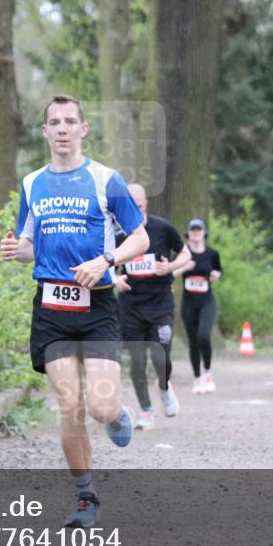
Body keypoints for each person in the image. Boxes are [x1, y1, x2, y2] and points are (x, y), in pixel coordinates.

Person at [0, 95, 149, 528]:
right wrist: (15, 250)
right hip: (51, 306)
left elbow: (139, 239)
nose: (61, 128)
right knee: (70, 404)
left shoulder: (106, 180)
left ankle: (117, 414)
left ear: (83, 129)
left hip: (98, 303)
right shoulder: (32, 184)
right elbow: (29, 246)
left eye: (69, 121)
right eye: (53, 122)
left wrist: (106, 261)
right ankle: (86, 497)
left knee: (101, 408)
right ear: (44, 132)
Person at [114, 184, 191, 429]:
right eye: (131, 205)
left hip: (160, 305)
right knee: (136, 362)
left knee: (161, 357)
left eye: (140, 204)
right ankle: (146, 410)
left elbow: (186, 254)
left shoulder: (162, 228)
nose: (136, 209)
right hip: (131, 307)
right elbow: (104, 262)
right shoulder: (119, 235)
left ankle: (164, 387)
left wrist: (169, 268)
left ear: (145, 203)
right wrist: (116, 279)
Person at [174, 219, 222, 394]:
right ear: (188, 232)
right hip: (188, 303)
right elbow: (170, 272)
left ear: (204, 232)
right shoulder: (182, 253)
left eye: (198, 229)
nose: (195, 232)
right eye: (192, 229)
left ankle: (207, 372)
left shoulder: (212, 254)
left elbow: (218, 270)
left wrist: (216, 275)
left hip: (207, 301)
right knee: (193, 340)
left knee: (203, 335)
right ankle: (197, 379)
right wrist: (183, 267)